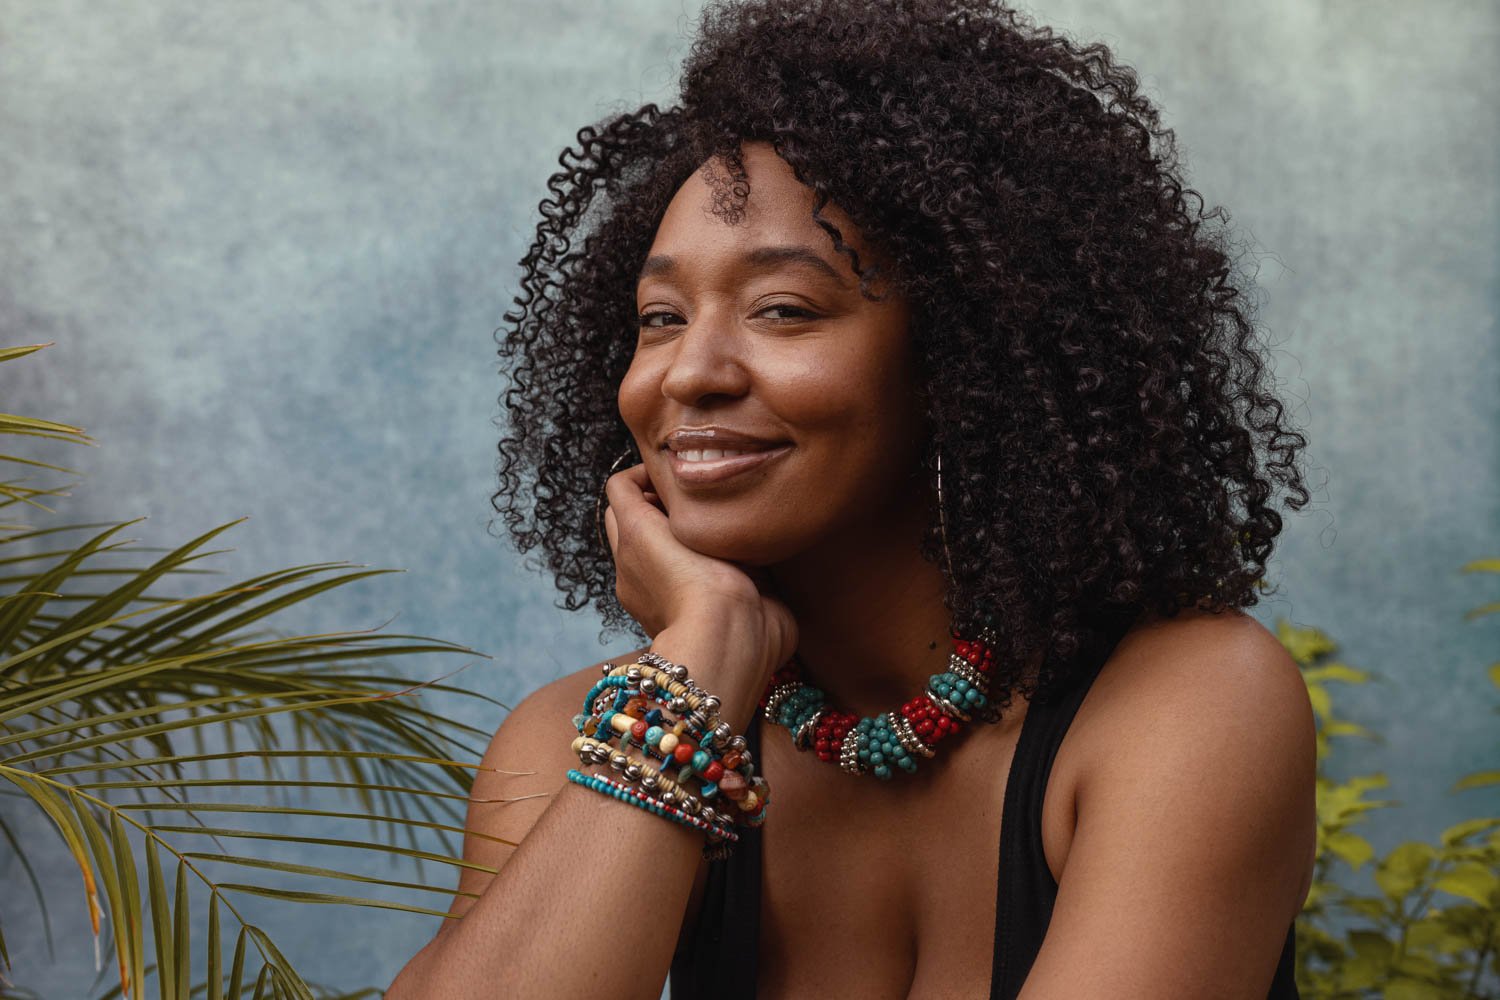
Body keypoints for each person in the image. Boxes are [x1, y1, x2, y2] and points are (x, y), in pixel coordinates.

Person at [388, 0, 1317, 996]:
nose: (688, 373)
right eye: (659, 318)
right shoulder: (578, 738)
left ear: (965, 356)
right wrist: (698, 662)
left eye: (782, 309)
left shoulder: (1185, 705)